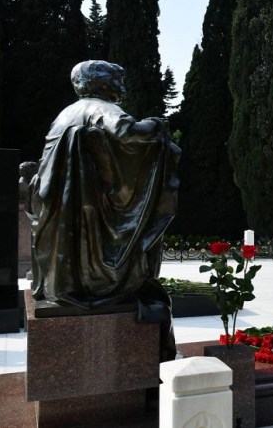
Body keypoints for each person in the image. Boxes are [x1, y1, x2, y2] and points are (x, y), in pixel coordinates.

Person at [27, 60, 179, 361]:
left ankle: (70, 282)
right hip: (85, 205)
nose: (122, 87)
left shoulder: (67, 112)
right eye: (117, 80)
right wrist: (157, 125)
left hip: (61, 207)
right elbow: (127, 132)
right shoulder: (102, 108)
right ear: (101, 83)